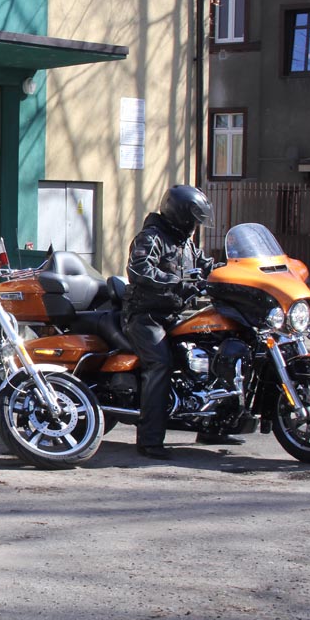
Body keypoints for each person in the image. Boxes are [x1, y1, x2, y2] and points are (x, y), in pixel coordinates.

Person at [122, 184, 230, 460]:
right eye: (193, 219)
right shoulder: (151, 237)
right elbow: (139, 269)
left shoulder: (185, 242)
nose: (195, 225)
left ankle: (213, 426)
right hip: (146, 315)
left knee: (215, 351)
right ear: (180, 215)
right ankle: (149, 440)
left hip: (175, 314)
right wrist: (177, 282)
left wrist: (231, 272)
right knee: (160, 364)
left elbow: (206, 266)